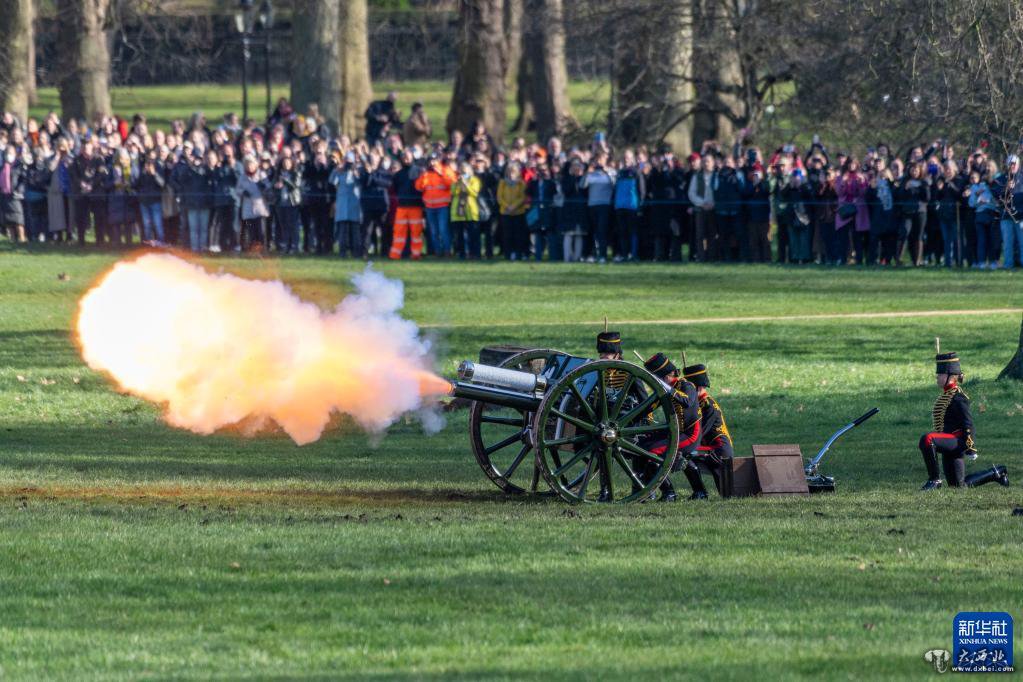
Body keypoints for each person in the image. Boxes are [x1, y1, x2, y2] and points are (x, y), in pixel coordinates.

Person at [918, 352, 1008, 490]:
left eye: (940, 374)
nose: (937, 376)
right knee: (958, 486)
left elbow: (968, 424)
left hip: (957, 441)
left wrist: (970, 447)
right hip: (948, 441)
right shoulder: (946, 395)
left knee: (928, 439)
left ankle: (935, 480)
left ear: (950, 377)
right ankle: (996, 473)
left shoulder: (959, 397)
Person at [639, 353, 703, 502]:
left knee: (652, 452)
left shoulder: (687, 385)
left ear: (667, 376)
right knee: (643, 445)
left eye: (659, 379)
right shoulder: (667, 388)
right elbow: (650, 406)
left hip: (690, 434)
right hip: (676, 432)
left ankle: (669, 493)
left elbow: (687, 401)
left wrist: (667, 388)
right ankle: (647, 489)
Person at [683, 364, 733, 498]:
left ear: (698, 387)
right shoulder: (699, 403)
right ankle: (700, 492)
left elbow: (698, 433)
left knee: (684, 454)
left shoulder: (707, 405)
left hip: (718, 450)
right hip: (710, 448)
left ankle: (700, 493)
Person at [415, 153, 456, 257]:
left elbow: (452, 184)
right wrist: (423, 176)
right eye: (431, 160)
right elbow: (418, 187)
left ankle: (447, 251)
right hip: (429, 207)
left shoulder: (446, 170)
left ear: (439, 160)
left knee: (443, 230)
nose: (432, 162)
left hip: (442, 206)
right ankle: (437, 252)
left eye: (434, 160)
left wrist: (441, 174)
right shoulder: (426, 173)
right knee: (433, 232)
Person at [389, 149, 424, 259]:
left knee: (416, 233)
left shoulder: (419, 172)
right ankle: (395, 254)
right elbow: (394, 189)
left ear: (412, 157)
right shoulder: (398, 174)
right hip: (402, 207)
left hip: (416, 207)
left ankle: (416, 254)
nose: (406, 158)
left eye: (408, 156)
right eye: (404, 157)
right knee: (398, 232)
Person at [497, 162, 529, 260]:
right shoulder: (502, 183)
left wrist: (513, 206)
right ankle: (508, 254)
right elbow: (499, 197)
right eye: (510, 172)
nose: (511, 174)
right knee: (507, 235)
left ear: (517, 173)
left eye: (513, 172)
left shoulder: (521, 183)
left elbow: (522, 197)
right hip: (505, 212)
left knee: (518, 235)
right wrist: (507, 206)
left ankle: (518, 253)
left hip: (518, 212)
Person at [450, 160, 482, 259]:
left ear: (470, 170)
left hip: (470, 211)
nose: (463, 172)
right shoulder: (455, 181)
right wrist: (459, 183)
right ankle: (462, 254)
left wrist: (466, 184)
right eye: (461, 170)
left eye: (465, 170)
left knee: (473, 234)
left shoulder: (475, 180)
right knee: (459, 236)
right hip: (458, 212)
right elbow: (454, 192)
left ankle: (475, 253)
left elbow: (474, 193)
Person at [134, 152, 166, 245]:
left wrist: (154, 174)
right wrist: (143, 173)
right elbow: (136, 185)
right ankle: (148, 242)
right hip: (144, 201)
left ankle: (161, 242)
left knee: (157, 223)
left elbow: (162, 184)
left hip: (155, 201)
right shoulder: (143, 170)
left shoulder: (159, 167)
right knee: (147, 224)